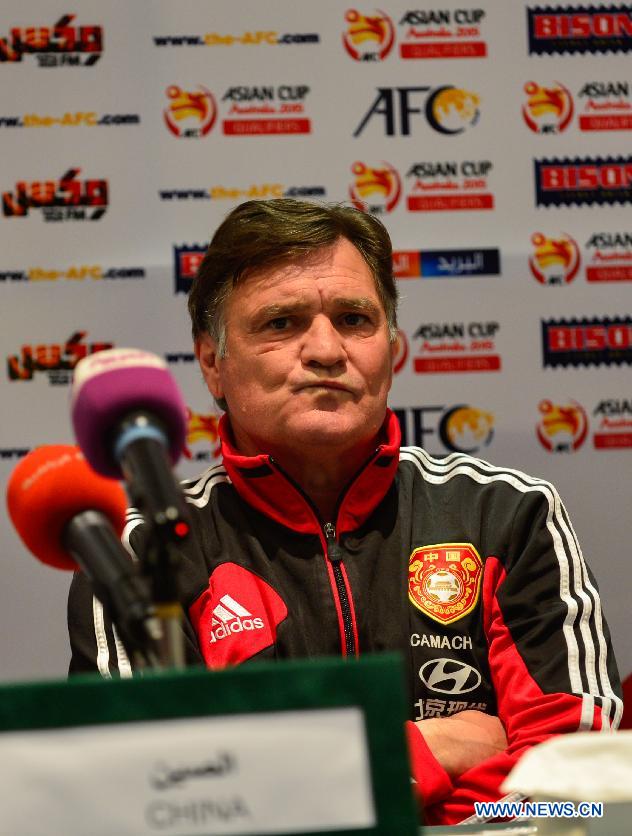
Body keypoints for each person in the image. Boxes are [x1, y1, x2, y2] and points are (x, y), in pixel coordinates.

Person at [68, 198, 622, 825]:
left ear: (393, 349)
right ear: (213, 363)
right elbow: (157, 801)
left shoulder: (510, 513)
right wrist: (425, 753)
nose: (327, 351)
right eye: (281, 323)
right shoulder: (141, 557)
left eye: (355, 319)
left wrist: (298, 783)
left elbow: (579, 784)